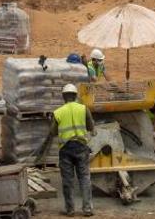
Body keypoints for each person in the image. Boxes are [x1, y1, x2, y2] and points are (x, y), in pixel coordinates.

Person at [53, 84, 95, 216]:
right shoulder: (84, 109)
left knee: (67, 180)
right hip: (81, 147)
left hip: (65, 149)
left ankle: (70, 210)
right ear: (76, 96)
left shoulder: (58, 112)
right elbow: (91, 126)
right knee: (84, 178)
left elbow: (53, 132)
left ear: (63, 96)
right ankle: (87, 209)